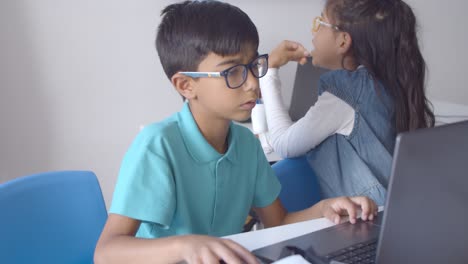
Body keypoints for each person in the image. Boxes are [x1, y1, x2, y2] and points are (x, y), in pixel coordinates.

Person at [94, 1, 378, 263]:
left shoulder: (246, 144)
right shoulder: (158, 145)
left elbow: (278, 222)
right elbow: (106, 252)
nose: (253, 83)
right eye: (232, 72)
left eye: (254, 66)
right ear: (185, 85)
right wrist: (187, 246)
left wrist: (326, 208)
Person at [260, 0, 435, 206]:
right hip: (394, 209)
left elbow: (284, 145)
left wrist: (269, 69)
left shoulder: (344, 97)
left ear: (343, 41)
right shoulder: (391, 83)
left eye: (320, 23)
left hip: (364, 220)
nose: (312, 30)